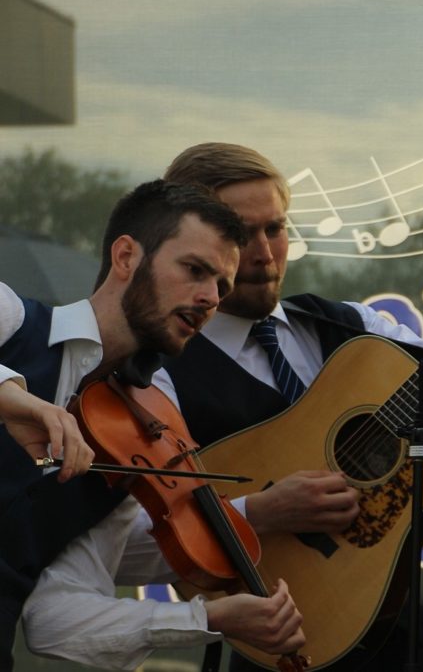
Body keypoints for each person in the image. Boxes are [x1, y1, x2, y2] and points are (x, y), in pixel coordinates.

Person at [22, 142, 423, 671]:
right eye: (242, 236)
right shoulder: (149, 381)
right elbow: (131, 539)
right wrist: (261, 511)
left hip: (396, 629)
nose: (264, 254)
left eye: (277, 229)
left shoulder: (345, 327)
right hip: (264, 636)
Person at [2, 179, 284, 669]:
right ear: (127, 256)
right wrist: (11, 395)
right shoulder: (11, 319)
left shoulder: (125, 456)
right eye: (194, 270)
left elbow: (53, 618)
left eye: (220, 285)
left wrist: (205, 620)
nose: (209, 298)